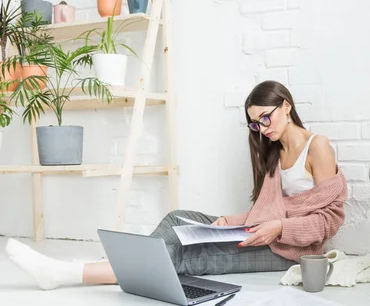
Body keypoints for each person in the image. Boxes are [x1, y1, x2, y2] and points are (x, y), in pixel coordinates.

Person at [6, 80, 348, 290]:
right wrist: (233, 220)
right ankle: (115, 267)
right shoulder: (274, 152)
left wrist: (279, 229)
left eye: (265, 117)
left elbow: (329, 220)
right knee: (176, 219)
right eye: (255, 124)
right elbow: (271, 210)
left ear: (286, 106)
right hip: (265, 232)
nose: (262, 127)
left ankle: (67, 274)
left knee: (187, 255)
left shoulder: (316, 146)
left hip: (292, 252)